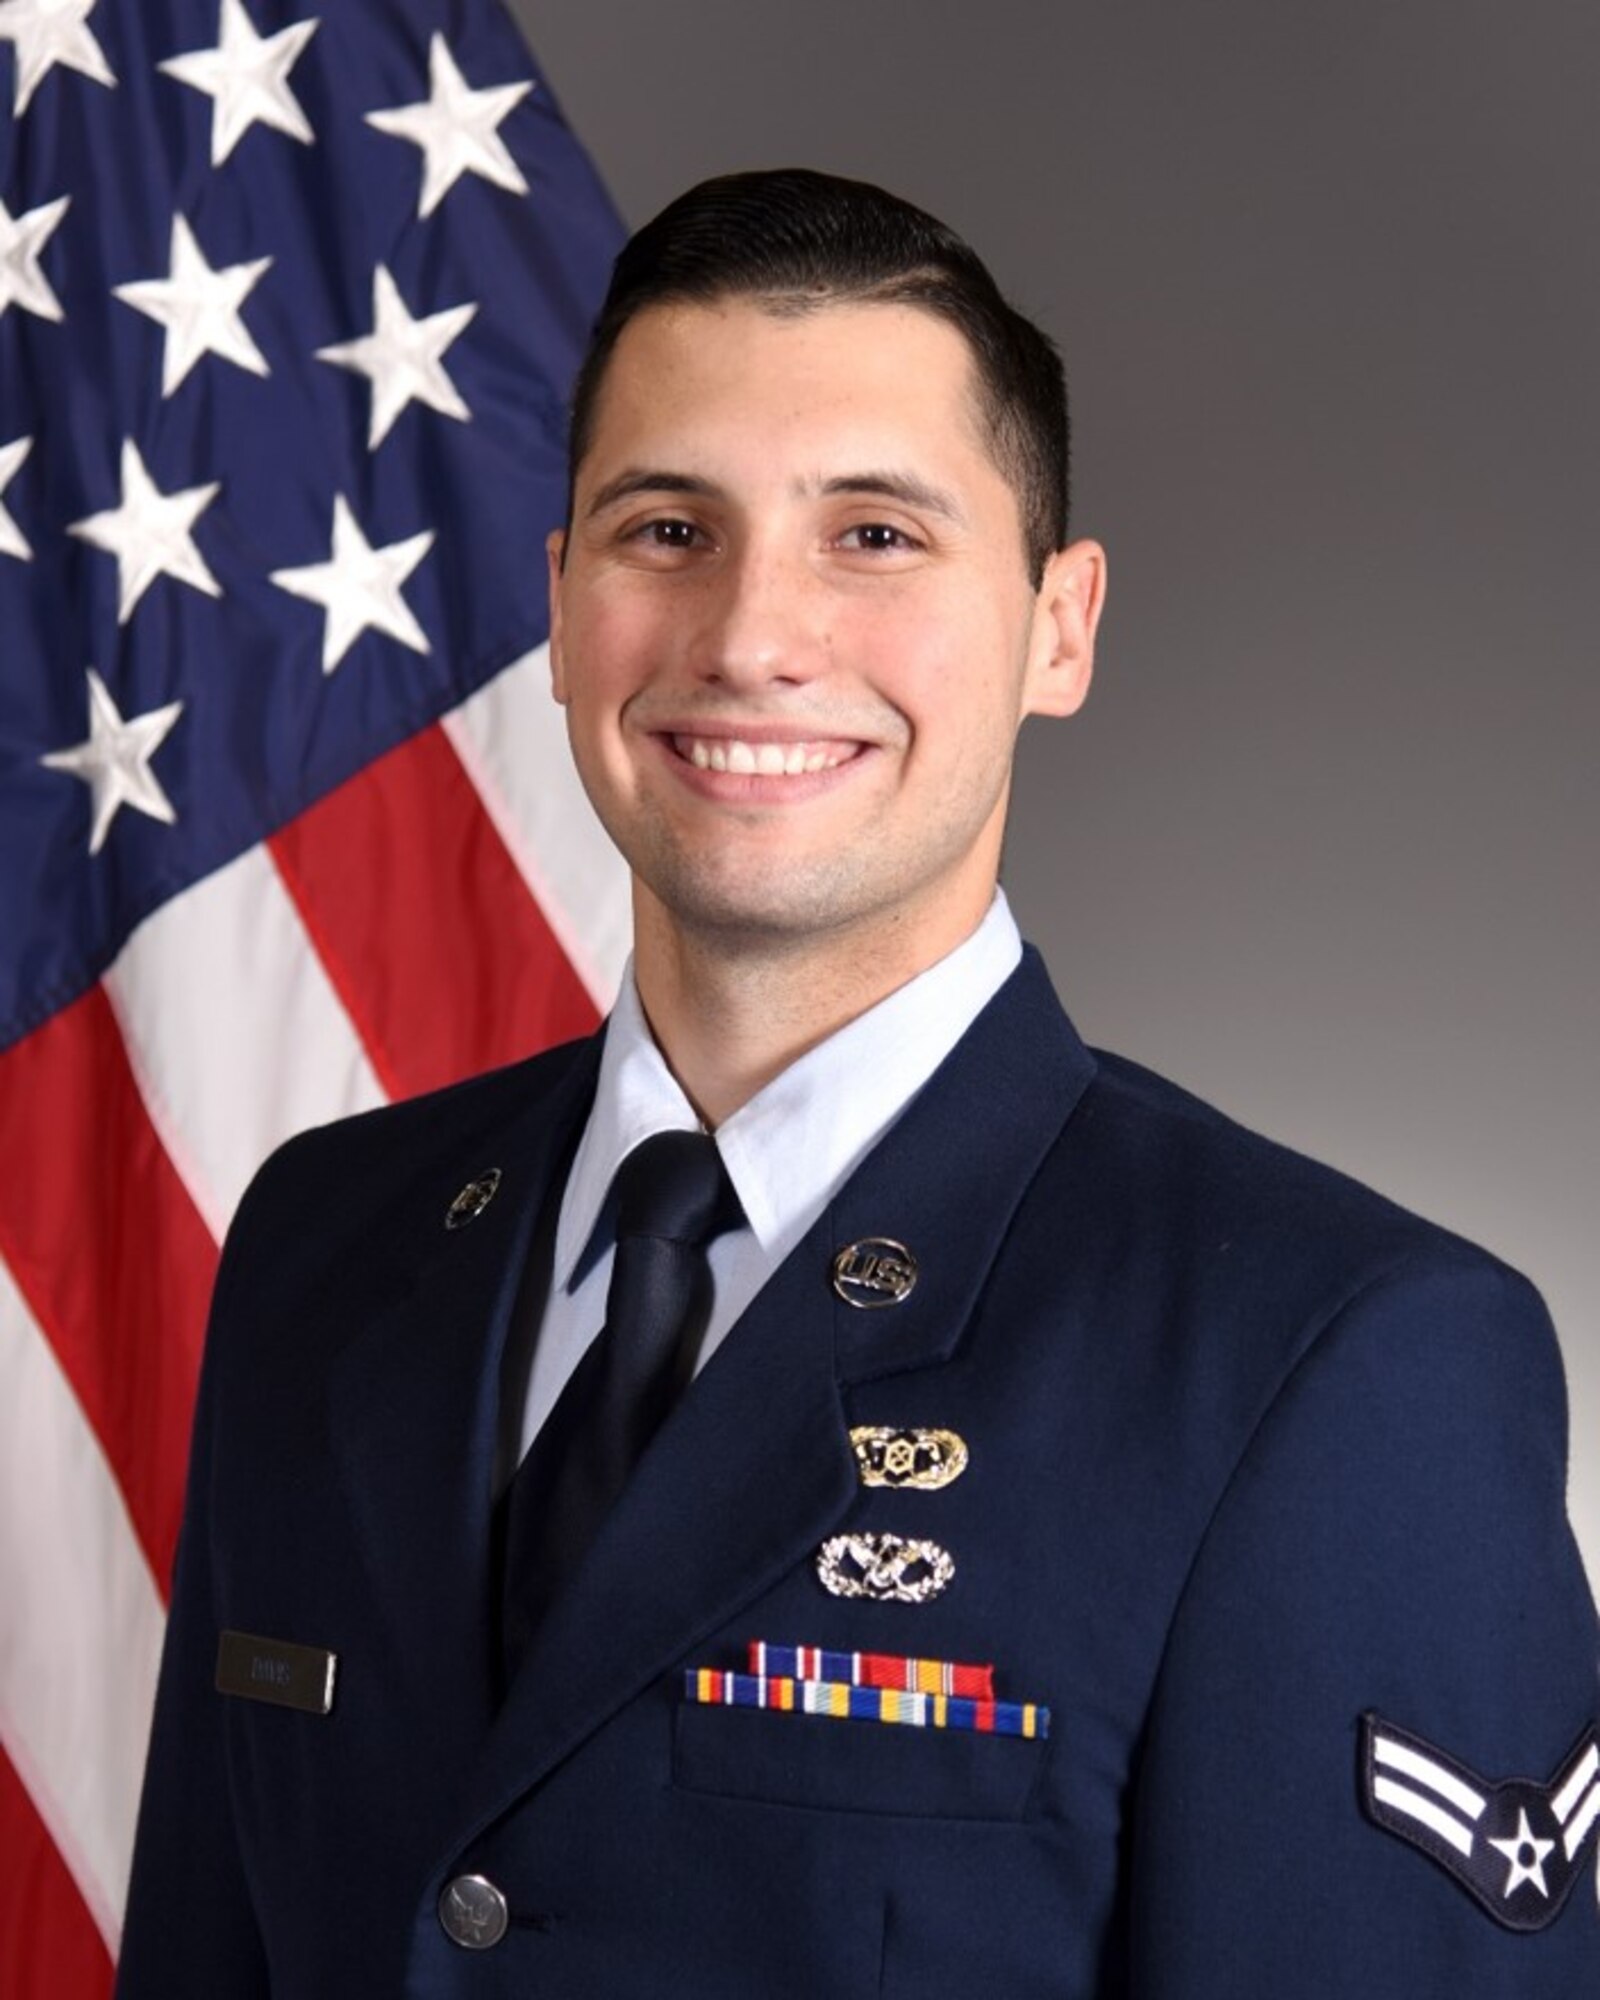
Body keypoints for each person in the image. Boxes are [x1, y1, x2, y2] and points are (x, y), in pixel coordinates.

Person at [116, 169, 1598, 1996]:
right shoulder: (327, 1248)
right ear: (562, 602)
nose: (750, 637)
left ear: (1061, 625)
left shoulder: (1330, 1359)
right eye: (668, 530)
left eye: (876, 537)